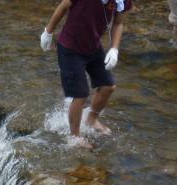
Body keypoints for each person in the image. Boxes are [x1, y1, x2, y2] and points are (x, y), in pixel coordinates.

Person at [40, 0, 132, 148]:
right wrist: (48, 32)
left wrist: (114, 49)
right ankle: (75, 137)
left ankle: (91, 119)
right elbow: (64, 6)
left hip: (93, 48)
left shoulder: (123, 1)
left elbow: (118, 23)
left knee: (108, 86)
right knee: (81, 94)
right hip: (70, 48)